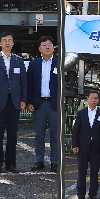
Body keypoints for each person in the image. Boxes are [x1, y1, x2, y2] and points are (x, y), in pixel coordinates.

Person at [0, 31, 27, 174]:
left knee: (12, 135)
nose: (7, 43)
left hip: (14, 101)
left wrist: (23, 100)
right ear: (0, 43)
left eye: (10, 40)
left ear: (13, 43)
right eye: (4, 40)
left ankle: (11, 164)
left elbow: (24, 82)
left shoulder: (19, 61)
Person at [26, 36, 58, 173]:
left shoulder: (59, 62)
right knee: (39, 135)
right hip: (38, 105)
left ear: (53, 48)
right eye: (44, 45)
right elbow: (29, 84)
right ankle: (40, 161)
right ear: (39, 48)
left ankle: (55, 162)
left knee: (55, 136)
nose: (47, 47)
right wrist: (29, 102)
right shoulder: (33, 64)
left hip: (55, 105)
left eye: (50, 44)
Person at [72, 90, 100, 199]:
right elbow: (76, 129)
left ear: (98, 100)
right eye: (91, 98)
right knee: (81, 172)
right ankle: (80, 195)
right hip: (82, 147)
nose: (93, 100)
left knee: (94, 172)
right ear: (87, 99)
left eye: (96, 98)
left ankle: (93, 195)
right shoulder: (81, 113)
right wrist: (75, 145)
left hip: (96, 148)